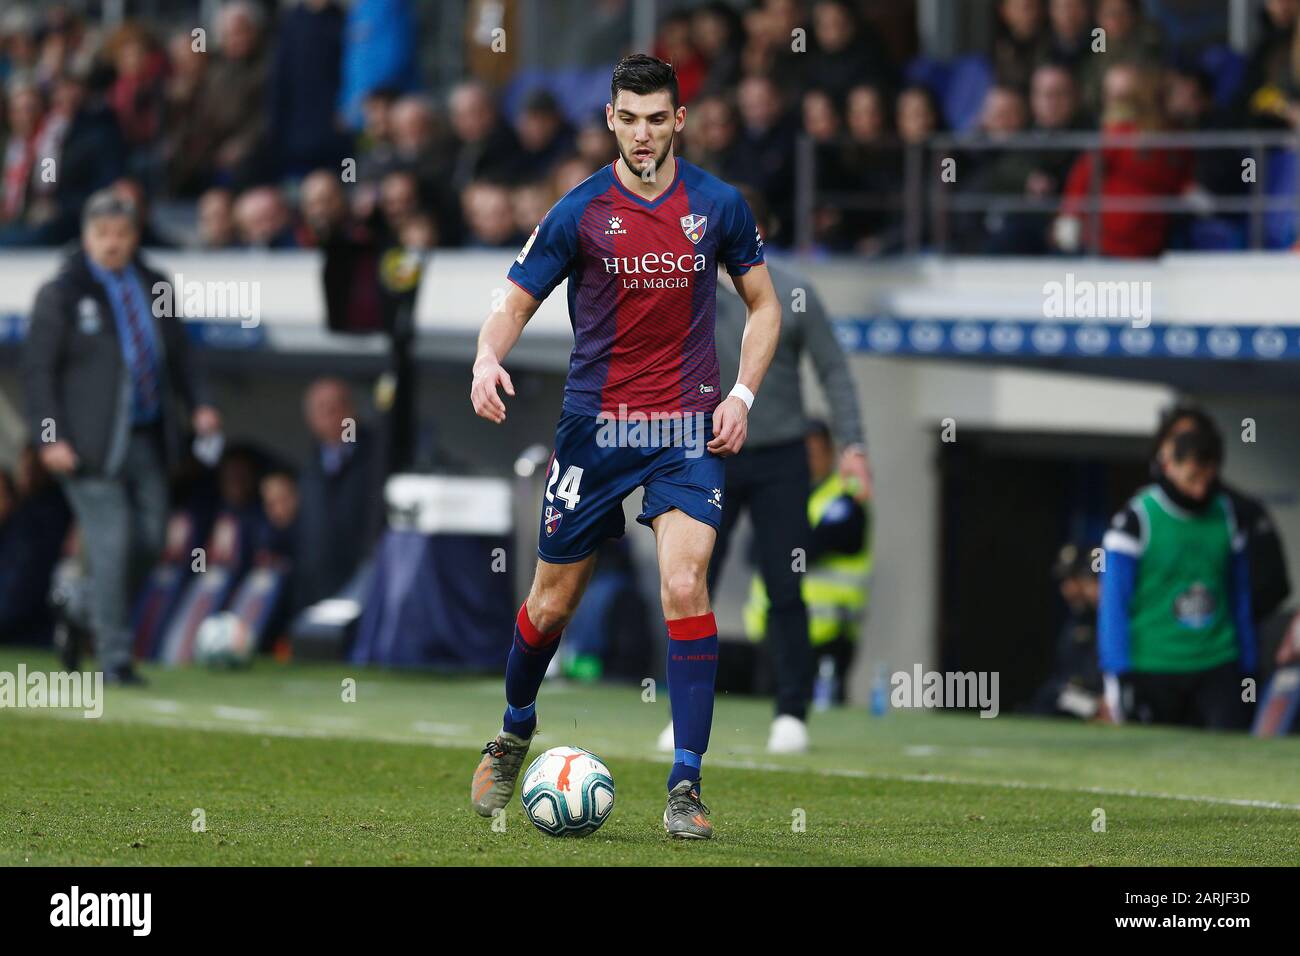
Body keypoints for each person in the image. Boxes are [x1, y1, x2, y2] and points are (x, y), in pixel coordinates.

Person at [468, 55, 780, 840]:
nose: (643, 133)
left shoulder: (719, 206)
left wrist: (740, 395)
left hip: (685, 430)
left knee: (685, 583)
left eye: (656, 118)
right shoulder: (578, 211)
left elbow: (765, 305)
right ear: (611, 120)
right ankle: (513, 731)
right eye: (628, 118)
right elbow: (514, 300)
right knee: (551, 603)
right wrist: (485, 357)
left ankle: (686, 786)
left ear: (680, 120)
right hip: (595, 432)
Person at [673, 188, 868, 752]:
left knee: (786, 583)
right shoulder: (689, 291)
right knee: (689, 581)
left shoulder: (795, 292)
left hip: (782, 455)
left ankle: (792, 713)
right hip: (710, 452)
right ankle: (686, 712)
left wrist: (852, 444)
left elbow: (835, 372)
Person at [21, 189, 222, 682]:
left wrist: (200, 407)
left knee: (152, 538)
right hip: (86, 443)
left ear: (135, 235)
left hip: (146, 434)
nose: (112, 242)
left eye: (122, 233)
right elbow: (38, 374)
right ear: (86, 236)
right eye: (103, 233)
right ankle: (114, 657)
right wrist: (50, 438)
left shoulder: (154, 284)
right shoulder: (63, 292)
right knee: (111, 540)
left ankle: (82, 607)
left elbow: (181, 355)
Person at [1098, 414, 1256, 729]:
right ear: (1169, 467)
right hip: (1153, 666)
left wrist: (1248, 664)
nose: (1199, 491)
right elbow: (1114, 601)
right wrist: (1118, 672)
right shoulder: (1136, 520)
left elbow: (1240, 595)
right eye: (1192, 478)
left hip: (1217, 662)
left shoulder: (1228, 516)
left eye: (1207, 479)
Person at [741, 420, 871, 709]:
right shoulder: (779, 494)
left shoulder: (844, 498)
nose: (807, 461)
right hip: (772, 631)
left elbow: (813, 545)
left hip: (826, 633)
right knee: (765, 711)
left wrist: (777, 541)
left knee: (823, 713)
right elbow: (751, 551)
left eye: (814, 452)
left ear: (829, 454)